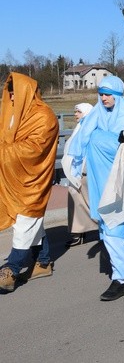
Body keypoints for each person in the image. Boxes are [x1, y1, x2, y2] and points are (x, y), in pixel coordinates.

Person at [66, 76, 124, 301]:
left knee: (115, 228)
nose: (104, 97)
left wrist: (98, 139)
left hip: (121, 181)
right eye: (101, 93)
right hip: (101, 180)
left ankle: (120, 278)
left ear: (118, 95)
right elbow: (85, 139)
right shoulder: (97, 114)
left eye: (108, 94)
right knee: (116, 227)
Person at [0, 73, 59, 293]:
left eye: (15, 90)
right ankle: (43, 262)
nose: (11, 95)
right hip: (13, 176)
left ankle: (11, 268)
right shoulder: (13, 114)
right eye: (9, 91)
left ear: (27, 90)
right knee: (29, 221)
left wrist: (2, 151)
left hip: (33, 178)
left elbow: (33, 149)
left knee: (26, 220)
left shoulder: (45, 116)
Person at [62, 102, 98, 247]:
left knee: (92, 204)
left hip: (88, 172)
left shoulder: (91, 128)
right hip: (76, 173)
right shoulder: (79, 128)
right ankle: (77, 233)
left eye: (78, 112)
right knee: (75, 201)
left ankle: (104, 230)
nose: (75, 114)